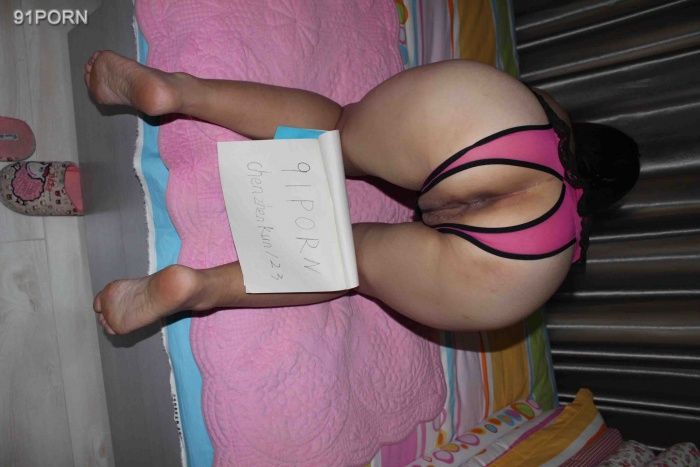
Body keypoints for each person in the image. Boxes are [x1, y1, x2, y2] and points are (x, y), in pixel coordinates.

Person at [84, 51, 639, 336]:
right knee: (347, 263)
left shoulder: (553, 114)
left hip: (499, 125)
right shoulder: (571, 243)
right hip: (526, 254)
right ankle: (198, 288)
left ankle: (176, 91)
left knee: (339, 132)